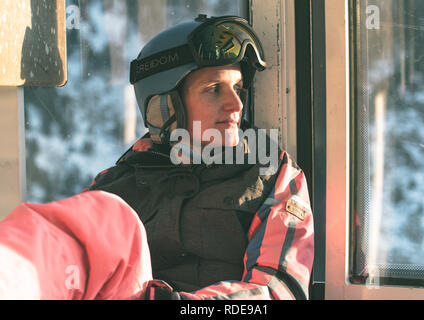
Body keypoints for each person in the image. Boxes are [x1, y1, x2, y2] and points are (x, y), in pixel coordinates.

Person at [0, 15, 313, 300]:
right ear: (166, 106)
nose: (236, 105)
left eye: (238, 88)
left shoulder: (270, 172)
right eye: (214, 89)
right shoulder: (116, 185)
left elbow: (277, 291)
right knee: (104, 217)